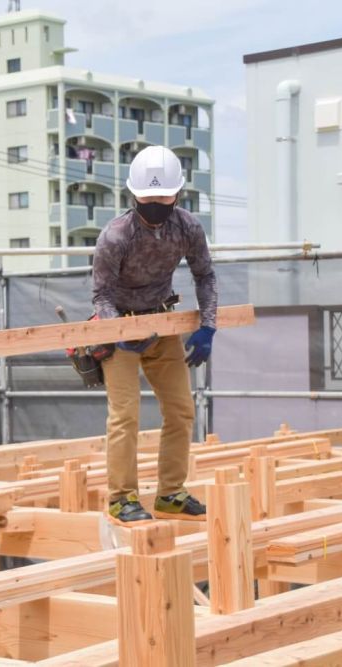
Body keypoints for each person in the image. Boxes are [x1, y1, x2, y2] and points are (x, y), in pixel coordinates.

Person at [92, 145, 217, 526]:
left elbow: (205, 275)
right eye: (148, 198)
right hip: (120, 328)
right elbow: (101, 294)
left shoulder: (188, 227)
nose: (156, 205)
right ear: (134, 195)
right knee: (125, 416)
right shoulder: (116, 236)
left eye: (163, 197)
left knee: (181, 410)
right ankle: (121, 498)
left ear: (178, 193)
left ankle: (170, 493)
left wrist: (208, 325)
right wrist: (119, 331)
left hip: (163, 324)